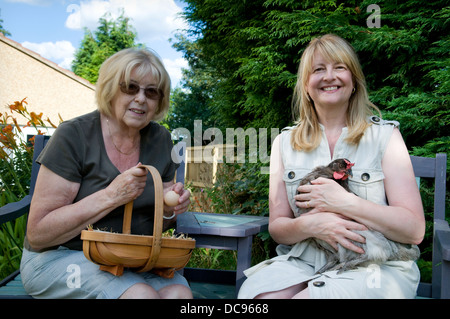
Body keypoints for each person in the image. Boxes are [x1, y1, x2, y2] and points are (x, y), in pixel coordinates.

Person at [237, 34, 425, 299]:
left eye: (340, 67)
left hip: (373, 265)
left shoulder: (385, 137)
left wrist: (344, 202)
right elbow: (278, 227)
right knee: (257, 299)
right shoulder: (284, 143)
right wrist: (314, 225)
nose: (329, 76)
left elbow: (414, 229)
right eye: (318, 69)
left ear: (354, 81)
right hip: (303, 261)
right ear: (305, 85)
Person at [20, 48, 193, 299]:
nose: (141, 99)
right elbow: (38, 235)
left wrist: (169, 209)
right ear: (110, 90)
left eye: (151, 91)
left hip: (132, 259)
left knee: (179, 294)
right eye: (130, 88)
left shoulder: (161, 139)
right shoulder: (74, 136)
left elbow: (161, 223)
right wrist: (111, 195)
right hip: (60, 259)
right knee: (139, 295)